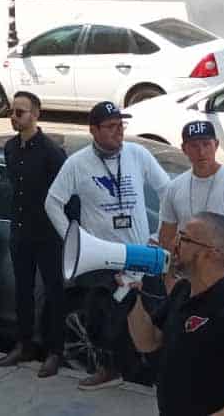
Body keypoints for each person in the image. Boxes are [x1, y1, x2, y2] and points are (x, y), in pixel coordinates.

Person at [45, 100, 171, 390]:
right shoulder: (77, 163)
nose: (118, 133)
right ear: (93, 130)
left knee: (147, 316)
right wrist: (74, 241)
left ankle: (152, 374)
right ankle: (110, 369)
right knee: (105, 318)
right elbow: (52, 202)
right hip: (100, 258)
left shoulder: (138, 154)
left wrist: (157, 233)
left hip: (141, 253)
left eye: (121, 126)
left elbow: (167, 191)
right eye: (111, 127)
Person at [127, 213, 224, 416]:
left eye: (184, 239)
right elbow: (147, 343)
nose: (174, 244)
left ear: (213, 252)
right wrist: (135, 296)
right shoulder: (182, 290)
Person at [0, 91, 68, 376]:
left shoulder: (51, 151)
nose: (14, 117)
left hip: (48, 233)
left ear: (36, 114)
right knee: (22, 291)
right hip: (21, 231)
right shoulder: (10, 148)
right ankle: (23, 344)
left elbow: (64, 195)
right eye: (12, 112)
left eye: (20, 112)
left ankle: (55, 351)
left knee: (53, 293)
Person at [158, 121, 224, 296]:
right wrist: (168, 281)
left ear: (216, 145)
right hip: (187, 284)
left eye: (206, 144)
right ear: (184, 149)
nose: (201, 152)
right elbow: (166, 238)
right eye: (194, 146)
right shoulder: (175, 187)